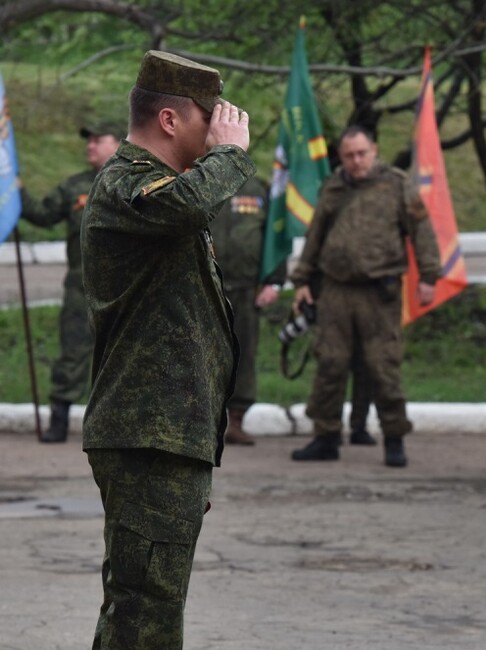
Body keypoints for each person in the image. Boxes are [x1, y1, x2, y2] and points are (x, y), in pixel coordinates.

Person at [82, 50, 253, 649]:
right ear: (172, 121)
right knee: (144, 613)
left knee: (142, 607)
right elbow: (188, 204)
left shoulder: (157, 196)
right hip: (146, 433)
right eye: (212, 119)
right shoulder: (126, 185)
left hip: (166, 435)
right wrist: (233, 154)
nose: (221, 131)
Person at [289, 125, 441, 467]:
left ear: (374, 150)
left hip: (380, 290)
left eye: (361, 153)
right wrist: (302, 280)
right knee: (330, 362)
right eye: (349, 155)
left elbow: (422, 231)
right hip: (336, 289)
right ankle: (326, 435)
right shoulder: (334, 186)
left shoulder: (397, 185)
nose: (356, 161)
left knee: (382, 364)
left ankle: (394, 436)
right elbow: (316, 236)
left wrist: (429, 276)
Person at [19, 120, 124, 442]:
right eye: (88, 141)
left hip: (125, 289)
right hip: (81, 287)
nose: (90, 146)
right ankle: (59, 420)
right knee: (73, 352)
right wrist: (14, 188)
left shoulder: (136, 181)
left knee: (123, 357)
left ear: (118, 144)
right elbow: (42, 214)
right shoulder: (74, 186)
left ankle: (118, 427)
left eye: (98, 140)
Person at [210, 177, 283, 445]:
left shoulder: (259, 189)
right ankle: (204, 423)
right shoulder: (197, 179)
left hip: (246, 288)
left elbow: (274, 237)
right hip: (206, 285)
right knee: (202, 354)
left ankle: (237, 421)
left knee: (243, 353)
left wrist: (274, 280)